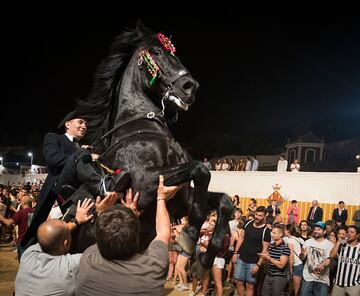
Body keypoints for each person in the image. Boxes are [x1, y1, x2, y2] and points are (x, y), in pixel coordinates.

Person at [21, 110, 130, 249]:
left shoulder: (84, 147)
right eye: (80, 122)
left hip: (81, 189)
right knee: (82, 153)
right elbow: (52, 160)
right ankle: (103, 186)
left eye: (86, 124)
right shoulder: (54, 138)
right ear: (67, 124)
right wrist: (84, 155)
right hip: (61, 184)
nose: (84, 126)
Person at [75, 175, 182, 296]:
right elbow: (163, 232)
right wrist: (161, 197)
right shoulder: (154, 268)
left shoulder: (87, 259)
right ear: (136, 237)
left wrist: (101, 213)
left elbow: (102, 235)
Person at [15, 193, 119, 296]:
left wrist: (77, 221)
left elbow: (50, 235)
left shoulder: (28, 255)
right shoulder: (71, 265)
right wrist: (102, 214)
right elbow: (104, 249)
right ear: (65, 243)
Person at [232, 206, 271, 296]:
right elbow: (241, 238)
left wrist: (258, 265)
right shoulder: (248, 223)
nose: (257, 217)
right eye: (256, 214)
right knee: (238, 281)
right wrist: (235, 252)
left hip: (254, 262)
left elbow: (265, 250)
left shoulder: (266, 231)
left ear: (265, 217)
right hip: (241, 258)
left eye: (260, 215)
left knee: (250, 285)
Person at [300, 221, 334, 296]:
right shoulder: (308, 242)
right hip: (307, 278)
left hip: (322, 280)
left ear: (324, 231)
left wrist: (323, 266)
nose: (316, 231)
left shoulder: (329, 245)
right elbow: (302, 258)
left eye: (319, 229)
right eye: (315, 229)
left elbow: (328, 260)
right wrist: (302, 254)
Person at [258, 225, 290, 296]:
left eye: (274, 233)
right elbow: (267, 262)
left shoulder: (285, 248)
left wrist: (269, 258)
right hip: (268, 275)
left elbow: (281, 265)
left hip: (279, 278)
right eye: (271, 232)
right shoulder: (271, 245)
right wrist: (263, 258)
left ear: (281, 234)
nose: (271, 234)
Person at [0, 196, 34, 260]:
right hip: (33, 240)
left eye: (21, 201)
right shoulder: (35, 211)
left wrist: (1, 217)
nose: (20, 202)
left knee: (23, 261)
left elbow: (9, 223)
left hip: (23, 240)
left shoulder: (21, 212)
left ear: (24, 202)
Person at [330, 225, 360, 296]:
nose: (349, 233)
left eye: (352, 232)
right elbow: (332, 256)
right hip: (338, 284)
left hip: (354, 285)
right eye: (348, 232)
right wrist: (338, 242)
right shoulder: (342, 245)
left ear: (358, 235)